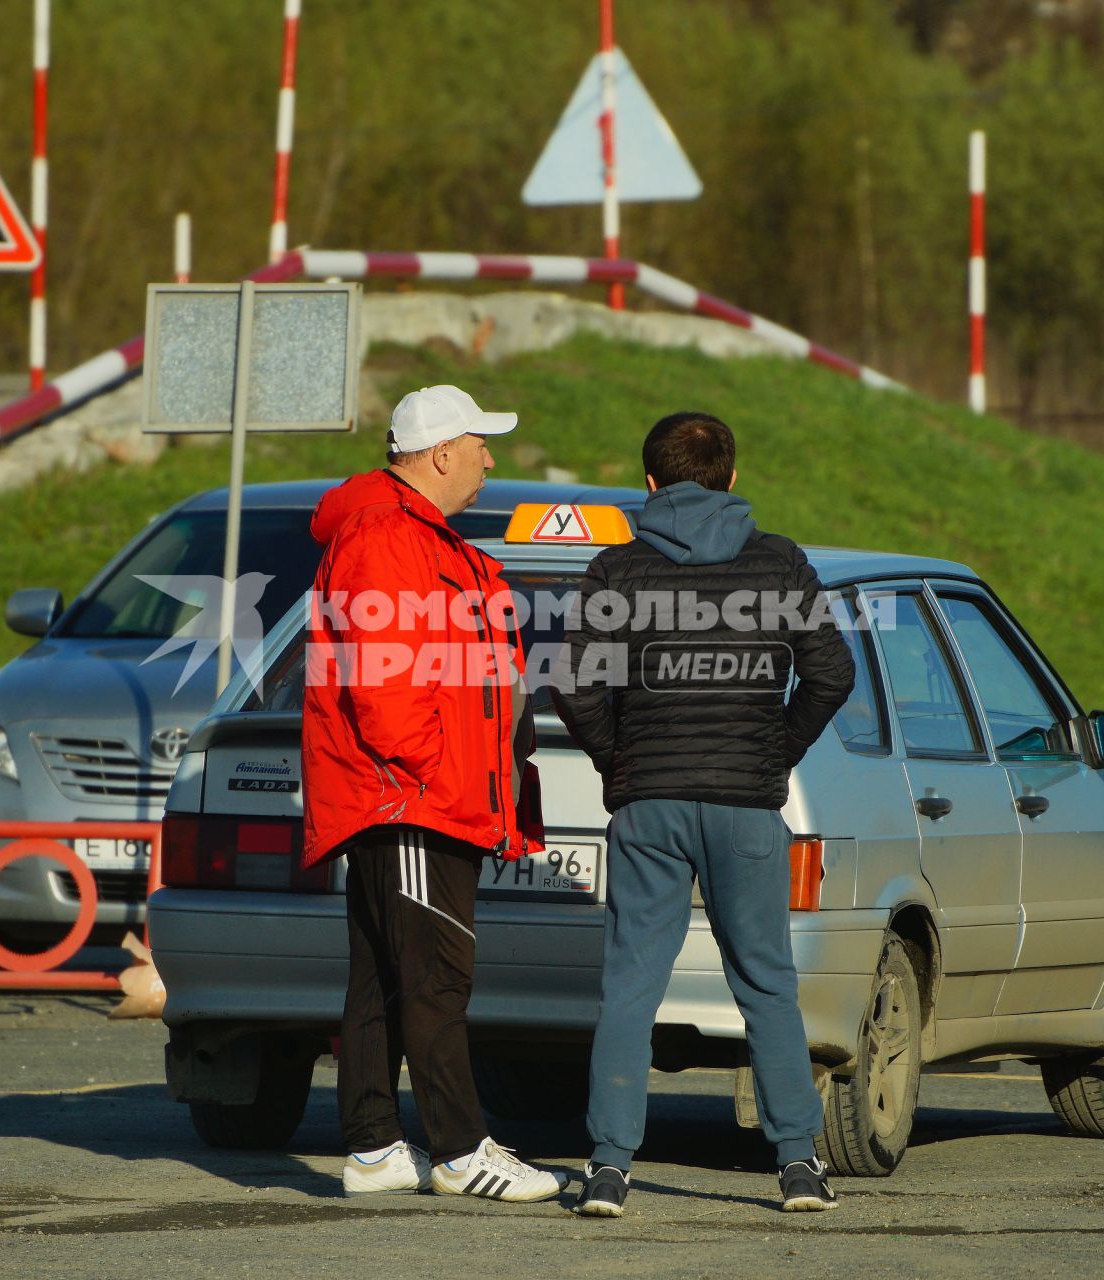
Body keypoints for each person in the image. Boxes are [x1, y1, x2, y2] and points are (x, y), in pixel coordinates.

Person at [553, 411, 855, 1217]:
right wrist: (774, 755)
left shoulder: (615, 572)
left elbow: (573, 684)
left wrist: (620, 762)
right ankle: (797, 1164)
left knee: (630, 988)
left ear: (650, 483)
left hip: (648, 802)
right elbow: (832, 676)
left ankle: (610, 1168)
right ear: (732, 475)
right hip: (745, 805)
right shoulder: (781, 564)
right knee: (765, 984)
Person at [301, 384, 561, 1203]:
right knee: (436, 975)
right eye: (481, 443)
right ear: (442, 451)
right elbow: (386, 683)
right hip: (412, 796)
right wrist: (432, 766)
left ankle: (376, 1146)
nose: (490, 457)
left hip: (422, 793)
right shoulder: (387, 535)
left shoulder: (421, 535)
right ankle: (457, 1149)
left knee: (385, 974)